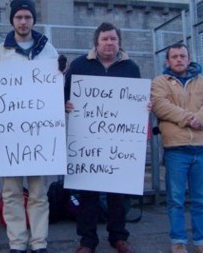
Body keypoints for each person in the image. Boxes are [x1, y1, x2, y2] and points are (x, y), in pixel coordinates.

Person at [0, 0, 66, 252]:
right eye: (19, 17)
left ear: (33, 19)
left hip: (40, 135)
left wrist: (63, 71)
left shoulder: (48, 50)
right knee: (11, 193)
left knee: (39, 194)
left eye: (27, 17)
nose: (23, 21)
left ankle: (39, 244)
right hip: (9, 138)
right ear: (12, 20)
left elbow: (57, 90)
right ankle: (17, 243)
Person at [64, 22, 140, 253]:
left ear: (119, 42)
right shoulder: (78, 65)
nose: (109, 43)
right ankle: (87, 241)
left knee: (117, 192)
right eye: (105, 39)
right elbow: (63, 94)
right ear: (96, 42)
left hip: (118, 141)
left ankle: (118, 237)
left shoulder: (131, 68)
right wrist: (65, 103)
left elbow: (136, 101)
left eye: (113, 39)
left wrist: (143, 105)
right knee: (88, 193)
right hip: (87, 139)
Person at [151, 43, 203, 253]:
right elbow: (160, 105)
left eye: (182, 56)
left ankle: (202, 243)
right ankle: (178, 241)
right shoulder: (160, 82)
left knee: (200, 200)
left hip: (202, 150)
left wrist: (201, 118)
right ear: (167, 61)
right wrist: (189, 119)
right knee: (176, 200)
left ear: (188, 59)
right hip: (176, 150)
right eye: (174, 56)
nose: (179, 59)